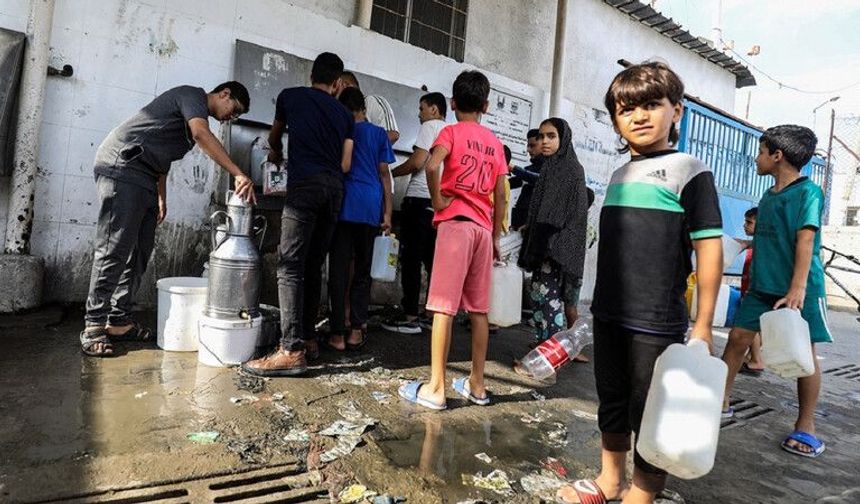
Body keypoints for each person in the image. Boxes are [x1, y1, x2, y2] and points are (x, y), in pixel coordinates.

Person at [557, 62, 723, 504]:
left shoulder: (691, 171)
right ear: (615, 118)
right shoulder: (618, 175)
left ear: (677, 111)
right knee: (611, 398)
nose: (639, 116)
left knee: (650, 410)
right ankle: (610, 480)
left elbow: (709, 250)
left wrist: (703, 324)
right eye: (626, 109)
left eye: (653, 105)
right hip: (609, 312)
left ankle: (643, 492)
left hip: (657, 321)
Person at [80, 82, 254, 357]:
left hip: (146, 176)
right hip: (122, 166)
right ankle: (93, 325)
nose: (231, 117)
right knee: (114, 248)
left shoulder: (188, 122)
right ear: (224, 94)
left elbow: (163, 158)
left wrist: (162, 197)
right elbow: (201, 134)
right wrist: (237, 172)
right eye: (234, 110)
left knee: (140, 251)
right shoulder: (192, 96)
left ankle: (118, 320)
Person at [397, 70, 507, 410]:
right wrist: (494, 232)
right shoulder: (494, 143)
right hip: (481, 229)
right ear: (486, 106)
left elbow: (431, 166)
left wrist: (439, 201)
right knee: (478, 310)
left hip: (456, 226)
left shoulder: (450, 131)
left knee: (443, 307)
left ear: (453, 103)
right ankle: (477, 384)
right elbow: (500, 193)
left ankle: (436, 388)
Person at [720, 125, 831, 458]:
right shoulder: (768, 197)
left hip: (801, 289)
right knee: (738, 338)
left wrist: (797, 288)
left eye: (761, 151)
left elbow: (805, 239)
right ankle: (720, 401)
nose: (756, 158)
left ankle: (806, 425)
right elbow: (774, 235)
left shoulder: (808, 193)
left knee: (804, 355)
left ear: (777, 155)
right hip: (763, 287)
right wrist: (744, 243)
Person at [242, 52, 354, 376]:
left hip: (305, 186)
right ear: (336, 84)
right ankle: (307, 337)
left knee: (289, 265)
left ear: (312, 76)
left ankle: (290, 349)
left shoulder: (291, 97)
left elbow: (275, 136)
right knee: (314, 264)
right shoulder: (345, 115)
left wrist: (276, 151)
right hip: (334, 190)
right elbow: (345, 161)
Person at [326, 87, 394, 351]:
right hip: (370, 207)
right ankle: (356, 330)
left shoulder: (343, 131)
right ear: (364, 108)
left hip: (345, 206)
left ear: (344, 109)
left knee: (339, 269)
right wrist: (387, 213)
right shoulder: (378, 134)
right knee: (362, 271)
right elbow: (384, 174)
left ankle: (337, 335)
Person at [518, 118, 588, 353]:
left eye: (551, 136)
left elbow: (570, 214)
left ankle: (551, 357)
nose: (544, 141)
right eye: (541, 136)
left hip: (555, 248)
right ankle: (542, 348)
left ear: (563, 138)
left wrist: (551, 242)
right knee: (539, 296)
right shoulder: (550, 167)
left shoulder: (570, 169)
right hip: (542, 244)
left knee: (550, 301)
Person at [382, 92, 448, 334]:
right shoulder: (451, 131)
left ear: (433, 109)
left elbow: (418, 161)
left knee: (411, 259)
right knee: (432, 260)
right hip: (438, 204)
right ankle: (431, 314)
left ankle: (410, 314)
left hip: (419, 201)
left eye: (421, 108)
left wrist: (390, 173)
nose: (419, 114)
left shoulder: (430, 126)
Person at [736, 207, 765, 375]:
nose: (745, 226)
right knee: (757, 327)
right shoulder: (756, 245)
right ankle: (750, 358)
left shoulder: (760, 248)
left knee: (748, 323)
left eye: (749, 222)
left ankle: (756, 360)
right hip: (750, 287)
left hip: (753, 290)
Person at [510, 128, 543, 230]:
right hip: (519, 225)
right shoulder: (529, 169)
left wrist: (513, 168)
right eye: (528, 145)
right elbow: (512, 183)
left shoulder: (552, 169)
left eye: (532, 146)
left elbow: (537, 179)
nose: (528, 150)